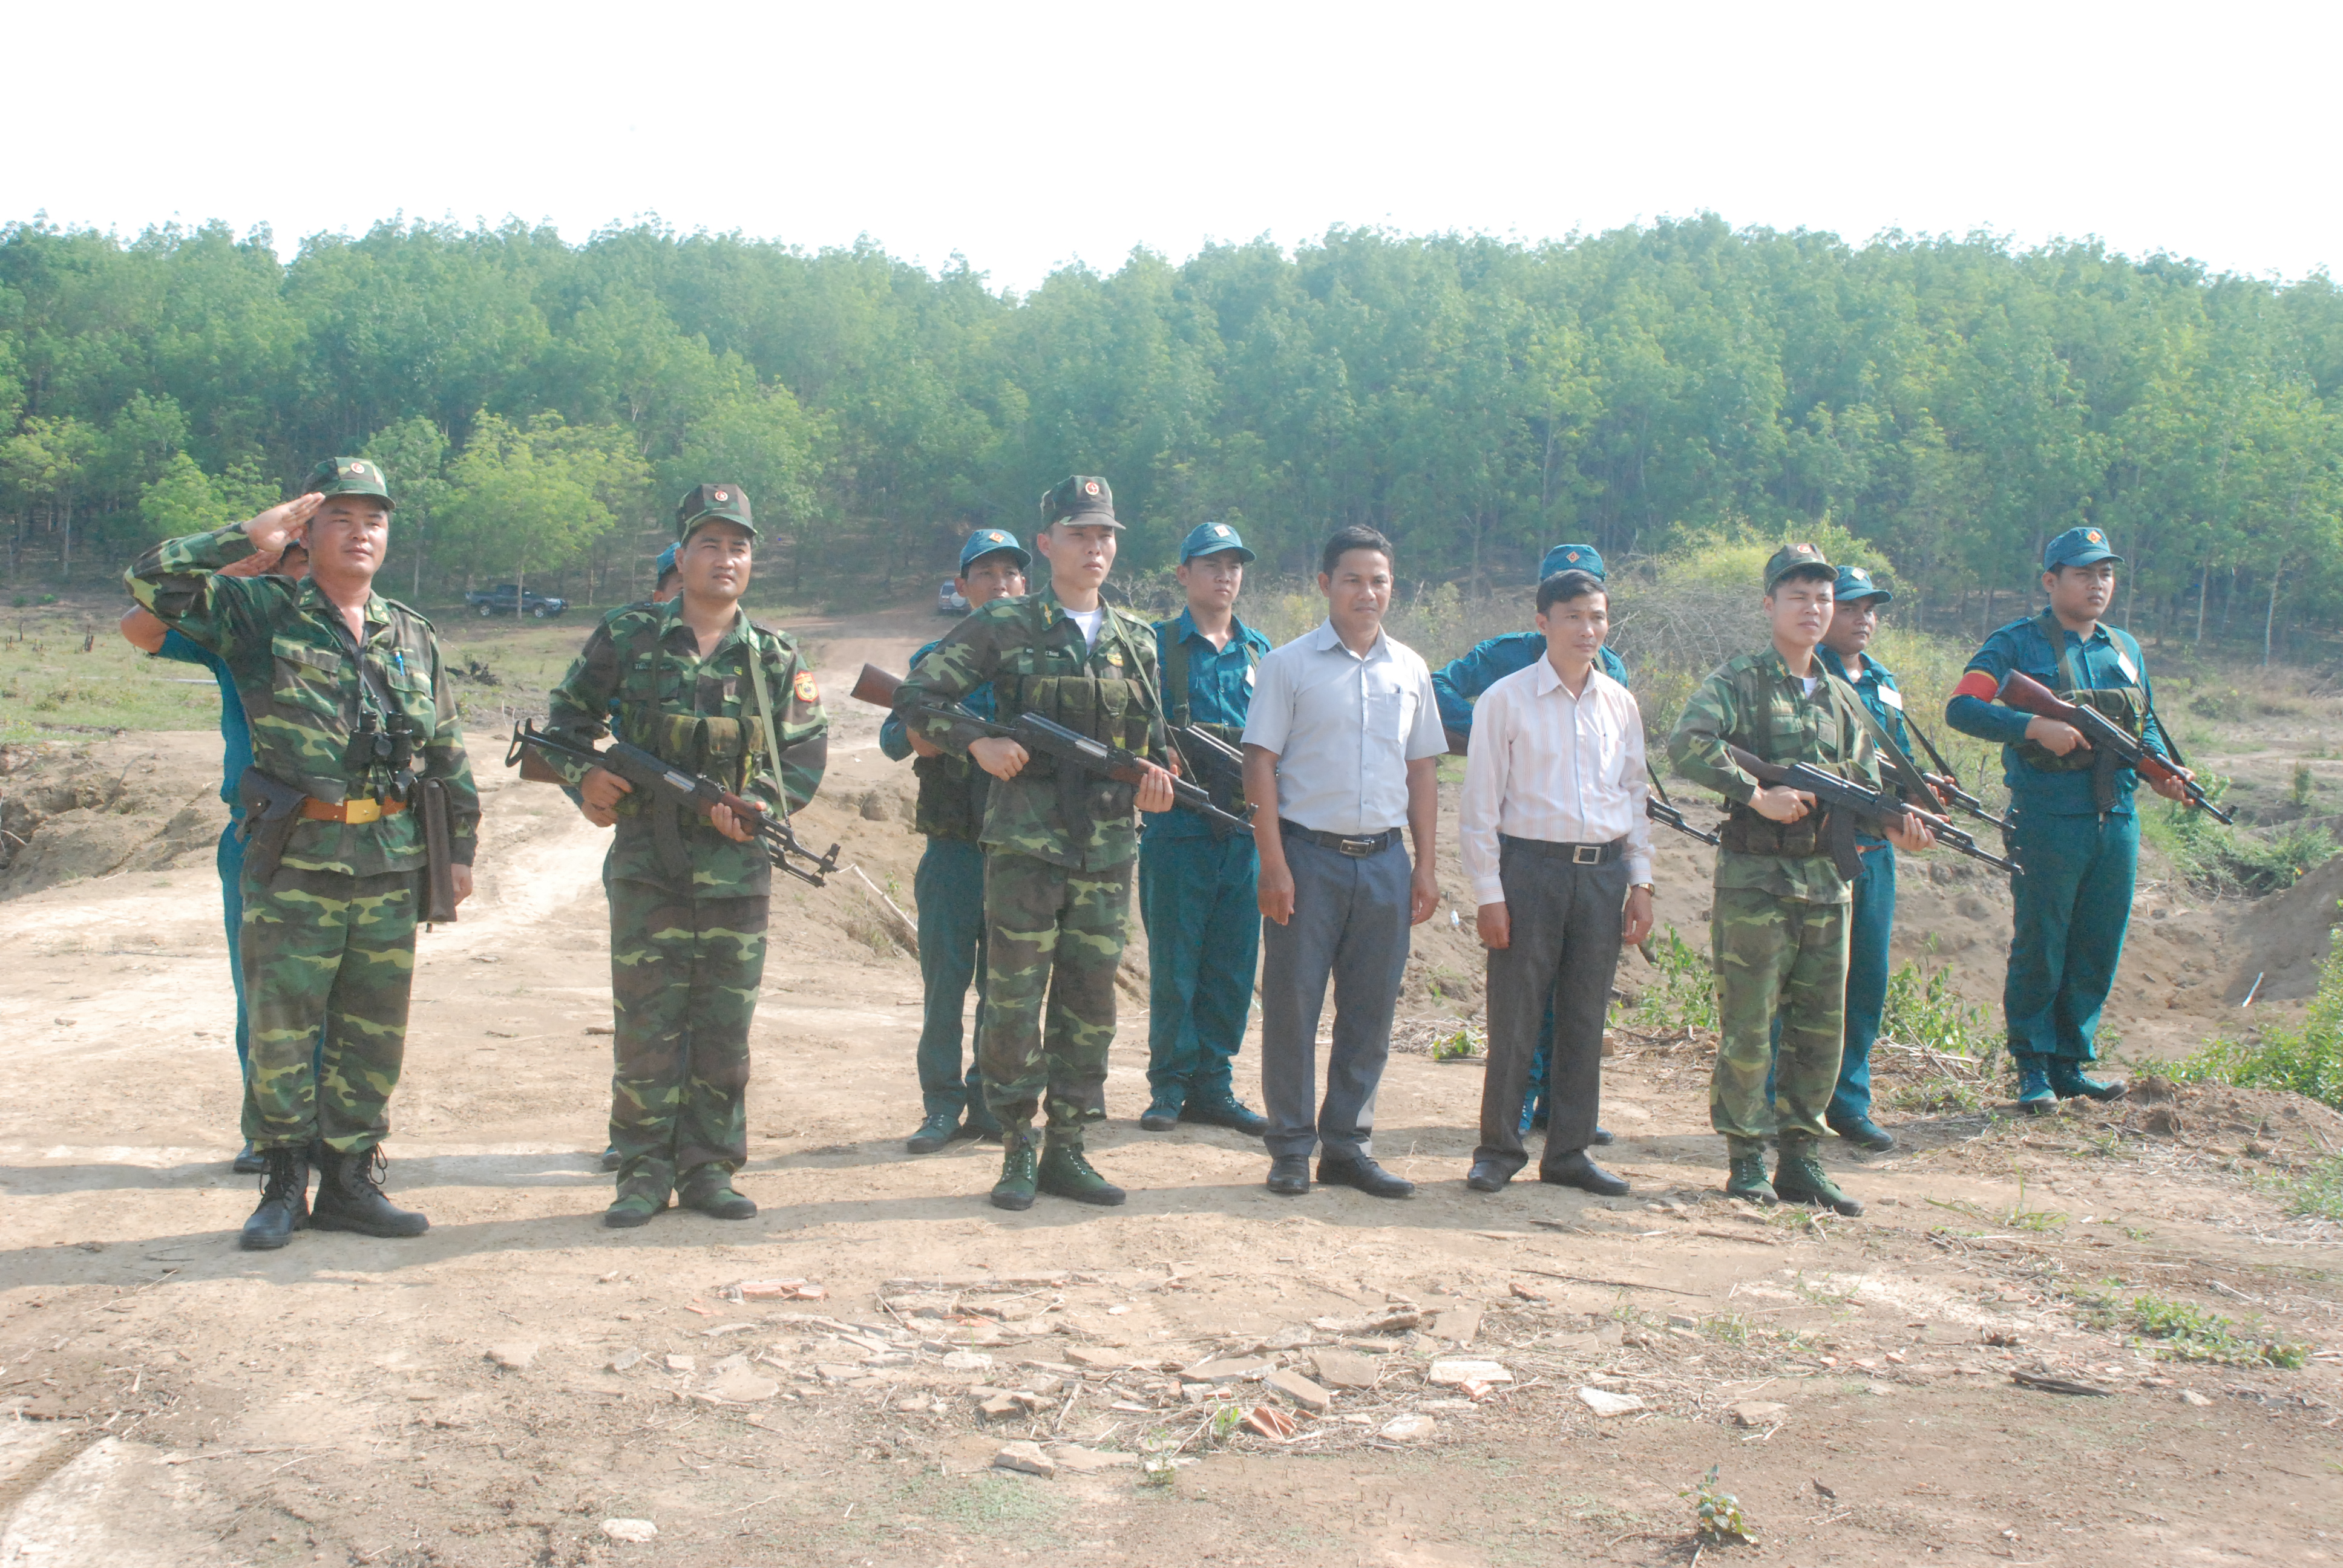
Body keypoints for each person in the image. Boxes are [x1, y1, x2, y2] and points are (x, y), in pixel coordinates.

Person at [125, 459, 479, 1250]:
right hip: (296, 856)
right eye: (340, 518)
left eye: (374, 520)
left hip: (390, 859)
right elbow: (149, 585)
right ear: (308, 532)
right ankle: (283, 1183)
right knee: (282, 1026)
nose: (360, 533)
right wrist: (244, 539)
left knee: (372, 1030)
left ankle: (351, 1182)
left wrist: (459, 850)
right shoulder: (260, 614)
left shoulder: (412, 634)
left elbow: (447, 753)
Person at [546, 483, 830, 1227]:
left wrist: (760, 804)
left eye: (738, 547)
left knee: (723, 1029)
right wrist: (585, 779)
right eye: (709, 544)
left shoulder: (773, 656)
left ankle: (710, 1170)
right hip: (648, 866)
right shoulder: (629, 635)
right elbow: (566, 721)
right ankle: (642, 1171)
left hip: (737, 873)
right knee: (647, 1024)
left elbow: (803, 751)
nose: (724, 559)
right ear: (681, 554)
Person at [893, 476, 1177, 1211]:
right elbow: (917, 697)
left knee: (1089, 1004)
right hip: (1024, 846)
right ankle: (1017, 1143)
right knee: (1014, 1000)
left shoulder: (1136, 640)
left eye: (1104, 535)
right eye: (1079, 534)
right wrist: (976, 742)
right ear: (1047, 543)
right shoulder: (1005, 623)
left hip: (1106, 852)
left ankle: (1068, 1147)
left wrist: (1157, 780)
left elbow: (1151, 744)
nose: (1094, 547)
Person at [1666, 543, 1932, 1216]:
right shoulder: (1740, 680)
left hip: (1827, 884)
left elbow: (1864, 786)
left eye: (1823, 599)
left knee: (1820, 1028)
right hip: (1756, 883)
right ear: (1769, 605)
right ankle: (1746, 1159)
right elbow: (1687, 743)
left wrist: (1896, 827)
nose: (1813, 610)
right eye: (1798, 597)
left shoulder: (1844, 696)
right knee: (1749, 1026)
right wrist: (1756, 795)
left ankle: (1802, 1159)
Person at [1946, 527, 2192, 1112]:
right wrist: (2033, 726)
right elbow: (1963, 707)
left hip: (2117, 816)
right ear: (2051, 581)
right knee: (2043, 940)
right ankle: (2032, 1065)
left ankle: (2070, 1064)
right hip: (2048, 818)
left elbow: (2144, 724)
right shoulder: (2014, 643)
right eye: (2084, 574)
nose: (2098, 584)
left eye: (2106, 574)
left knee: (2097, 943)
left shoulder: (2124, 648)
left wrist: (2162, 771)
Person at [1243, 524, 1445, 1199]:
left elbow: (1422, 770)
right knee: (1293, 1007)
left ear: (1392, 587)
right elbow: (1259, 763)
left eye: (1378, 581)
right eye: (1353, 580)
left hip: (1384, 862)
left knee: (1370, 1011)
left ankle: (1348, 1146)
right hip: (1308, 857)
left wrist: (1424, 864)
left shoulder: (1409, 669)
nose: (1367, 593)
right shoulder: (1288, 665)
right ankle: (1290, 1148)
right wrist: (1273, 863)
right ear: (1325, 584)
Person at [119, 534, 310, 1177]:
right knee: (261, 988)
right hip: (264, 833)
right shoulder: (239, 630)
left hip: (353, 834)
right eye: (286, 564)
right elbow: (141, 630)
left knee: (345, 990)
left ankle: (335, 1132)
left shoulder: (375, 631)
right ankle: (271, 1128)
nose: (295, 579)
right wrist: (223, 572)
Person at [1460, 568, 1655, 1195]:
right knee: (1515, 1016)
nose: (1586, 630)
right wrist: (1489, 894)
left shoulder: (1619, 704)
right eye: (1573, 616)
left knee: (1584, 1018)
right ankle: (1498, 1149)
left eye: (1597, 617)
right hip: (1530, 872)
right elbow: (1479, 807)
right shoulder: (1506, 699)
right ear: (1542, 622)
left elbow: (1634, 796)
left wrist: (1640, 882)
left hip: (1602, 875)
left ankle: (1569, 1152)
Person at [1430, 541, 1624, 1148]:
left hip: (1593, 859)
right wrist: (1479, 734)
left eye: (1592, 605)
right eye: (1567, 604)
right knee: (1522, 1001)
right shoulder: (1505, 658)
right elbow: (1439, 686)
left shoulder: (1611, 671)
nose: (1583, 624)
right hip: (1529, 851)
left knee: (1579, 1002)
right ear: (1543, 610)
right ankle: (1514, 1114)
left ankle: (1562, 1116)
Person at [879, 528, 1030, 1153]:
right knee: (945, 987)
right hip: (952, 849)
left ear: (1025, 584)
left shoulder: (1038, 662)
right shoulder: (934, 659)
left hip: (1018, 851)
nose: (1000, 585)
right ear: (963, 587)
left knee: (1005, 988)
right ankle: (941, 1106)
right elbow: (894, 739)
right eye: (986, 575)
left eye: (1010, 574)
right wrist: (943, 735)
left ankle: (990, 1104)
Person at [1138, 521, 1275, 1137]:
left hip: (1243, 831)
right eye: (1211, 565)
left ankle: (1214, 1086)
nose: (1224, 576)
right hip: (1177, 829)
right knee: (1175, 966)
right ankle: (1169, 1087)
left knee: (1232, 966)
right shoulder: (1153, 647)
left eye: (1234, 566)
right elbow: (1126, 724)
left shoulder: (1261, 653)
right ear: (1183, 574)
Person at [1796, 564, 1907, 1152]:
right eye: (1850, 607)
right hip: (1818, 852)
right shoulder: (1805, 675)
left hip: (1873, 853)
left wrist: (1921, 794)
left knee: (1865, 981)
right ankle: (1785, 1102)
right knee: (1805, 984)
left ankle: (1849, 1102)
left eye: (1870, 610)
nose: (1863, 619)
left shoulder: (1882, 681)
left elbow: (1900, 757)